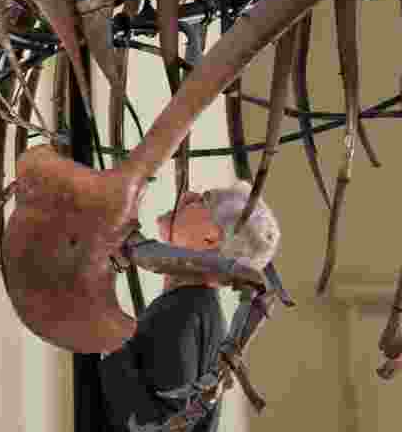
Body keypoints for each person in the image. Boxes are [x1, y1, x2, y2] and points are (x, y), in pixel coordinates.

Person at [100, 182, 280, 432]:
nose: (187, 196)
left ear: (210, 239)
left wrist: (106, 336)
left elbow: (155, 424)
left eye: (204, 199)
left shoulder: (184, 313)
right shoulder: (196, 309)